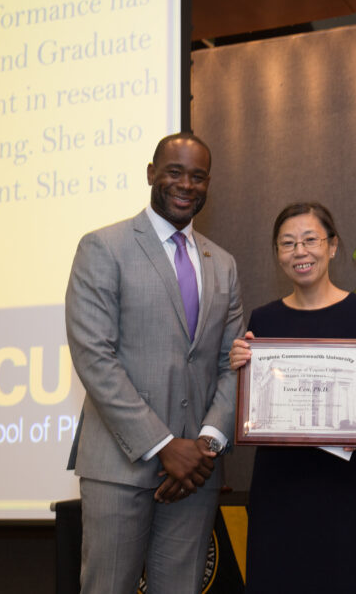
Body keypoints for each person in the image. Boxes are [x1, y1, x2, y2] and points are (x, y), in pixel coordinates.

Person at [64, 132, 244, 593]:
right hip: (120, 467)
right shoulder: (104, 247)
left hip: (196, 475)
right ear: (151, 173)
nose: (186, 184)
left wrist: (205, 445)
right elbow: (94, 357)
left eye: (198, 176)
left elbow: (231, 363)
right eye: (175, 172)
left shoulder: (222, 263)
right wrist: (164, 445)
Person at [228, 202, 356, 594]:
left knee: (344, 579)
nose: (299, 252)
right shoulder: (262, 320)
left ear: (333, 246)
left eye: (310, 240)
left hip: (344, 481)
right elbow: (254, 397)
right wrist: (241, 365)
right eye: (287, 244)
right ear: (277, 255)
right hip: (279, 482)